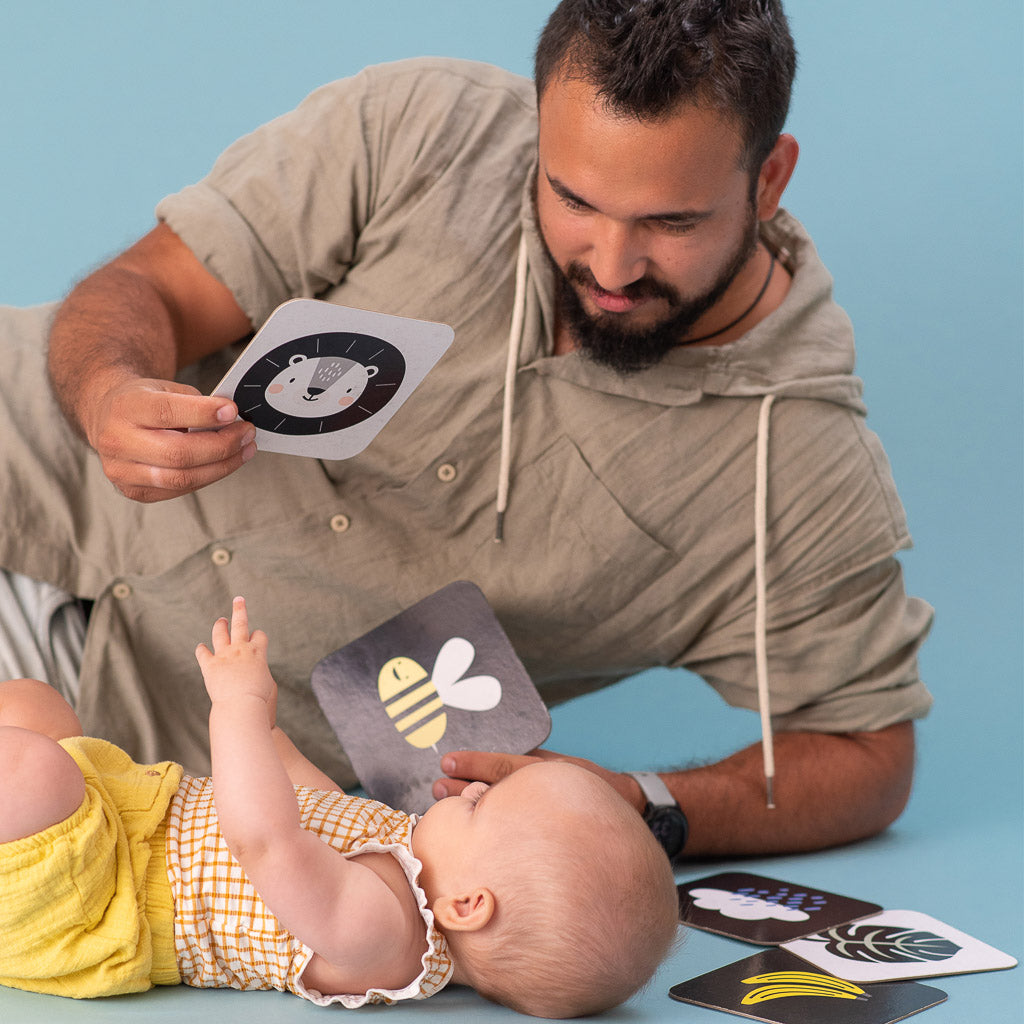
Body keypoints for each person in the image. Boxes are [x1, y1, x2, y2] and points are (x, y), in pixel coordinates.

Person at [0, 0, 932, 860]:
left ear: (769, 179)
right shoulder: (423, 127)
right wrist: (109, 389)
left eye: (671, 222)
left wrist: (642, 800)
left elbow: (868, 753)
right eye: (573, 199)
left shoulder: (804, 473)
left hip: (107, 740)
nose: (610, 264)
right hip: (26, 451)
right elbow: (151, 287)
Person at [0, 597, 678, 1017]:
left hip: (98, 901)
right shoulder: (410, 861)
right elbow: (312, 805)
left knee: (36, 772)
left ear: (469, 905)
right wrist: (270, 730)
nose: (474, 786)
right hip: (123, 823)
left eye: (483, 806)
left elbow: (265, 840)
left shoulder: (382, 939)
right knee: (35, 705)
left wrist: (235, 708)